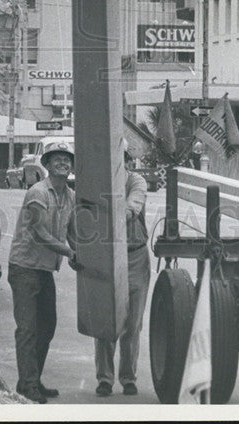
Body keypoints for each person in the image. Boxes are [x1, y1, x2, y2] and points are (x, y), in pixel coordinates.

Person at [7, 137, 76, 404]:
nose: (63, 162)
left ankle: (31, 380)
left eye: (67, 159)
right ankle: (28, 385)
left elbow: (72, 232)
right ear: (46, 164)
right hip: (24, 267)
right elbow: (39, 232)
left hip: (44, 269)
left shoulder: (69, 195)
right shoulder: (38, 192)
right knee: (27, 329)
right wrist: (68, 252)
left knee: (47, 327)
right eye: (57, 158)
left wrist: (81, 252)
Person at [94, 142, 151, 397]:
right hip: (107, 256)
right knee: (106, 320)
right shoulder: (99, 184)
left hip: (135, 256)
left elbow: (133, 205)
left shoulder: (136, 182)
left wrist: (114, 216)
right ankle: (104, 378)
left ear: (127, 161)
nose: (118, 163)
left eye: (122, 158)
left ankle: (128, 377)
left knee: (133, 322)